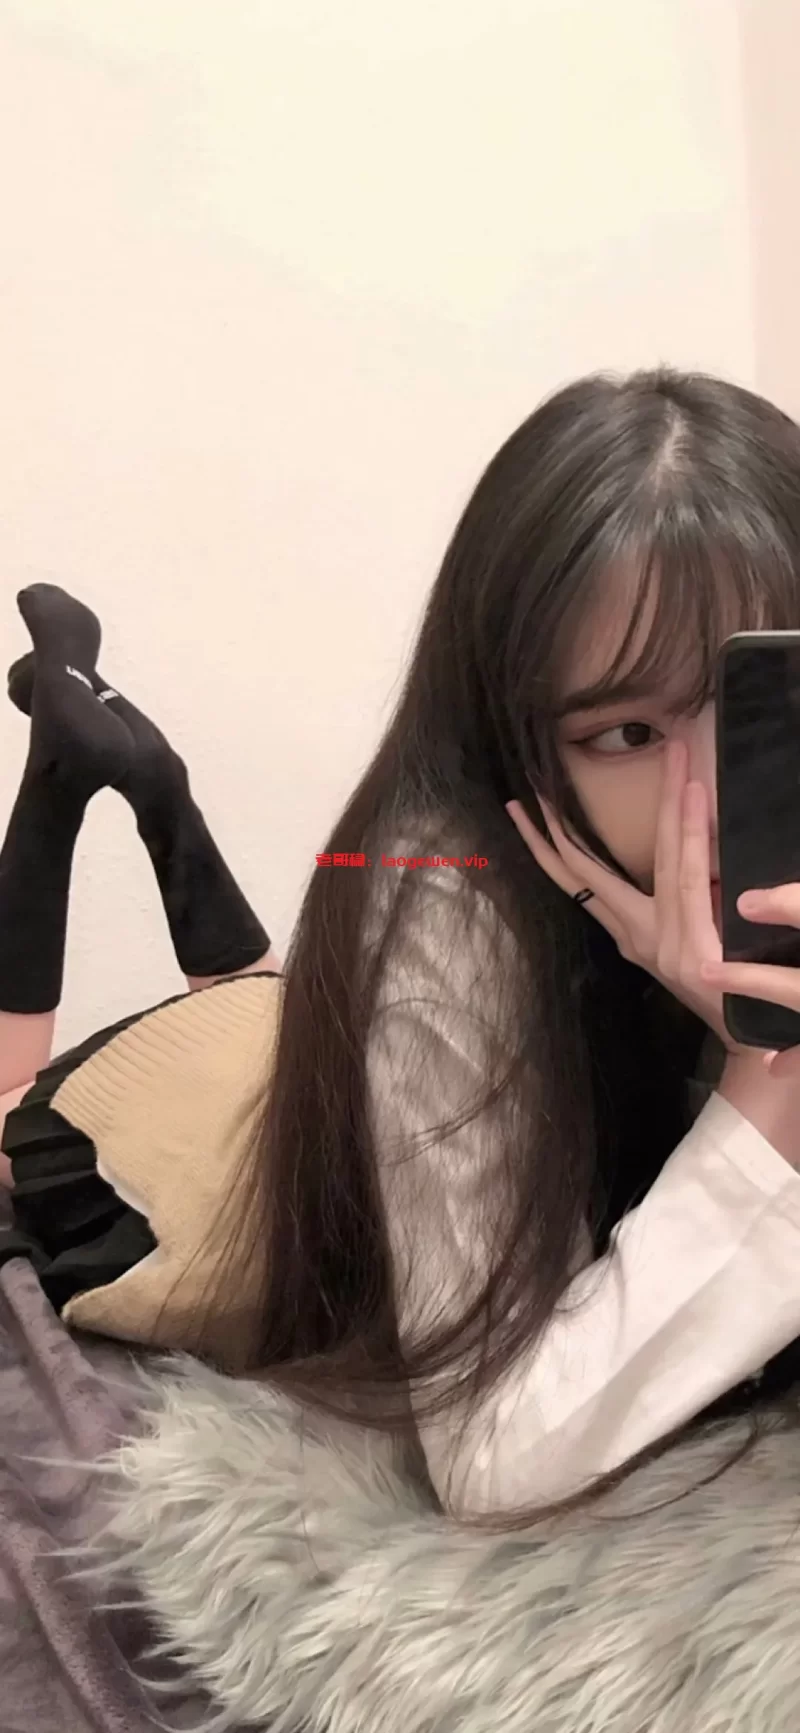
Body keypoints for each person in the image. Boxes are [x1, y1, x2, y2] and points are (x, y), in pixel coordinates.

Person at [6, 368, 800, 1532]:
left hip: (287, 1039)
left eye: (762, 703)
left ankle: (143, 772)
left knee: (257, 991)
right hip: (161, 1145)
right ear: (516, 738)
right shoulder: (441, 899)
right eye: (629, 730)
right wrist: (764, 1083)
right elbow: (495, 1450)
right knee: (23, 1104)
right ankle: (77, 763)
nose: (712, 800)